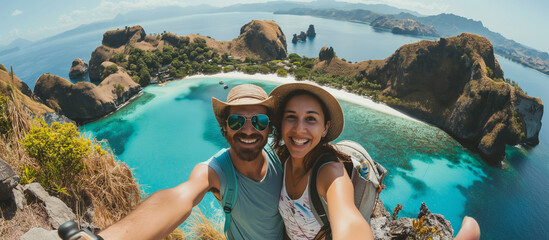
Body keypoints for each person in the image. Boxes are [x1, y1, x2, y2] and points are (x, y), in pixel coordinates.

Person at [99, 84, 284, 240]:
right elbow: (177, 198)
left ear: (269, 128)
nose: (249, 130)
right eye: (237, 121)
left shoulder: (279, 155)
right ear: (224, 129)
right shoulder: (215, 172)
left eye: (259, 121)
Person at [269, 83, 374, 240]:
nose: (299, 129)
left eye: (310, 119)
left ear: (325, 128)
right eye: (291, 117)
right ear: (281, 123)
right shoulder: (281, 159)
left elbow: (351, 223)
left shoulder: (330, 172)